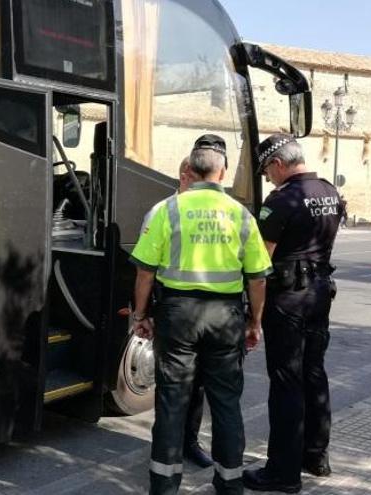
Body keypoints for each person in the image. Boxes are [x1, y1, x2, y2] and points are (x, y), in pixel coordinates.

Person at [131, 134, 272, 495]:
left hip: (177, 315)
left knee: (172, 402)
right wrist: (255, 322)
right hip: (226, 317)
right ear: (222, 172)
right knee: (226, 403)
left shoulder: (166, 210)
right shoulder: (241, 215)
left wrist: (140, 315)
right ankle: (229, 485)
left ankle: (163, 487)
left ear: (190, 170)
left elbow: (145, 272)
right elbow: (257, 279)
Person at [242, 134, 341, 493]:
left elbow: (260, 261)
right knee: (314, 372)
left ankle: (282, 473)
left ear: (279, 164)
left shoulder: (282, 200)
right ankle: (316, 455)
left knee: (286, 382)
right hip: (320, 293)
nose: (268, 177)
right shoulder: (329, 192)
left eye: (268, 169)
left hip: (288, 300)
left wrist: (253, 314)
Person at [140, 157, 214, 469]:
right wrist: (145, 313)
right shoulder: (161, 211)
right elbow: (148, 268)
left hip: (206, 314)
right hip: (171, 310)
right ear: (183, 176)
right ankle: (165, 452)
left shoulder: (213, 212)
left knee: (196, 385)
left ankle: (189, 443)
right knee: (171, 388)